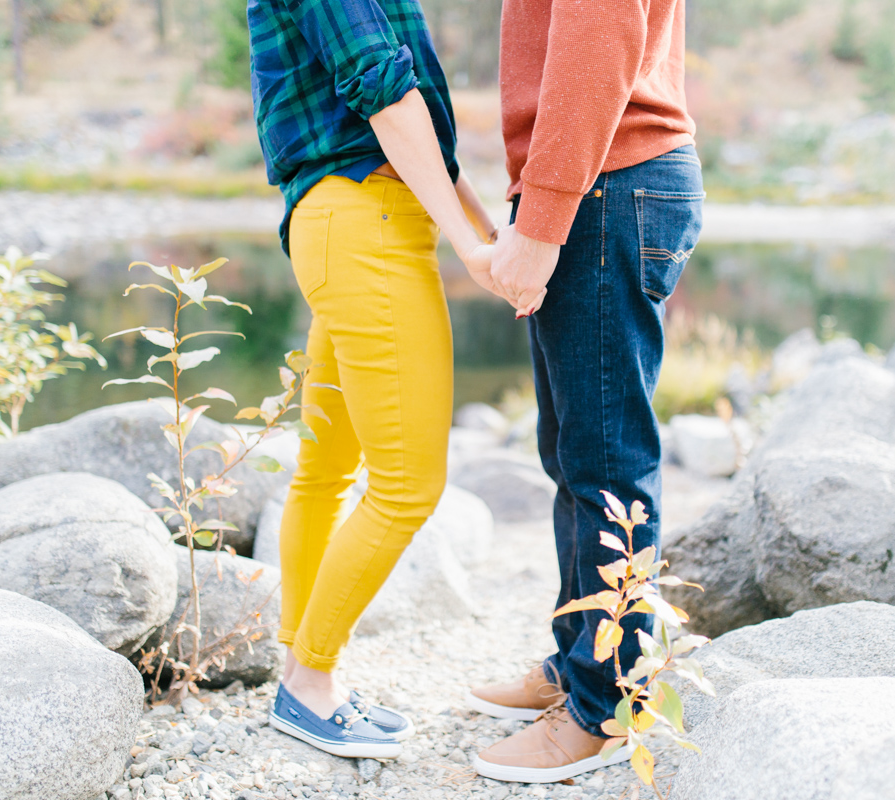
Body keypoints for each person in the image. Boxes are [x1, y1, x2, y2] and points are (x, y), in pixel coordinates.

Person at [248, 0, 510, 759]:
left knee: (325, 472)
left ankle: (300, 667)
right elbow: (383, 90)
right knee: (408, 485)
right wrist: (469, 242)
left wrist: (487, 235)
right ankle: (308, 684)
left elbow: (422, 135)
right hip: (369, 227)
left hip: (347, 221)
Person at [467, 0, 705, 784]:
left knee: (605, 460)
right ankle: (581, 663)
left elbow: (598, 38)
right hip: (601, 183)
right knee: (574, 453)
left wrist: (541, 221)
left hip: (607, 183)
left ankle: (607, 705)